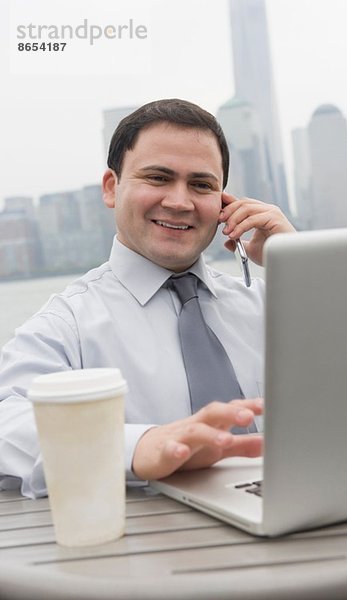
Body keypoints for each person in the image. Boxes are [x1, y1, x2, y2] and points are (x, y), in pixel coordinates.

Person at [0, 99, 295, 498]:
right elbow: (6, 422)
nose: (179, 201)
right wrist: (139, 446)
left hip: (295, 526)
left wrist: (299, 266)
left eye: (201, 185)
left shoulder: (270, 305)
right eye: (158, 178)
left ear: (224, 203)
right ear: (112, 188)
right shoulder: (68, 324)